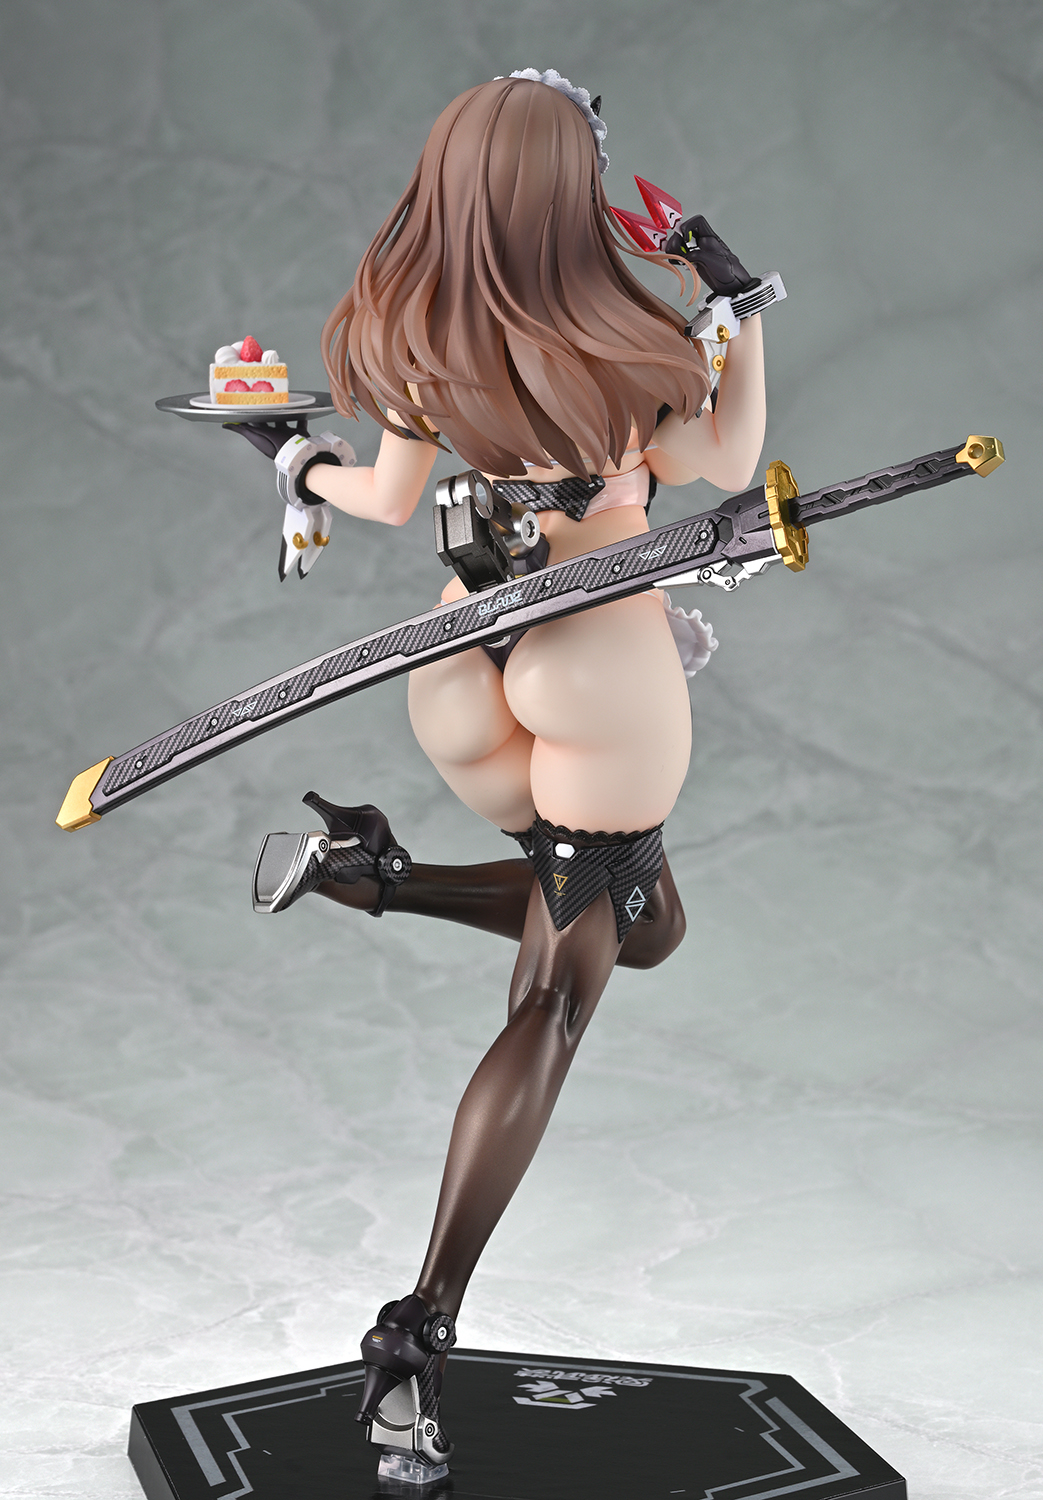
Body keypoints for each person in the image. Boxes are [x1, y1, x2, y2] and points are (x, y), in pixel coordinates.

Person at [248, 69, 767, 1480]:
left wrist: (295, 465)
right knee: (557, 991)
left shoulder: (424, 342)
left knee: (642, 923)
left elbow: (384, 498)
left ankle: (379, 876)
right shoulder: (621, 344)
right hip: (597, 659)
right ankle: (418, 1329)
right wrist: (734, 300)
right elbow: (728, 456)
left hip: (457, 661)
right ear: (569, 194)